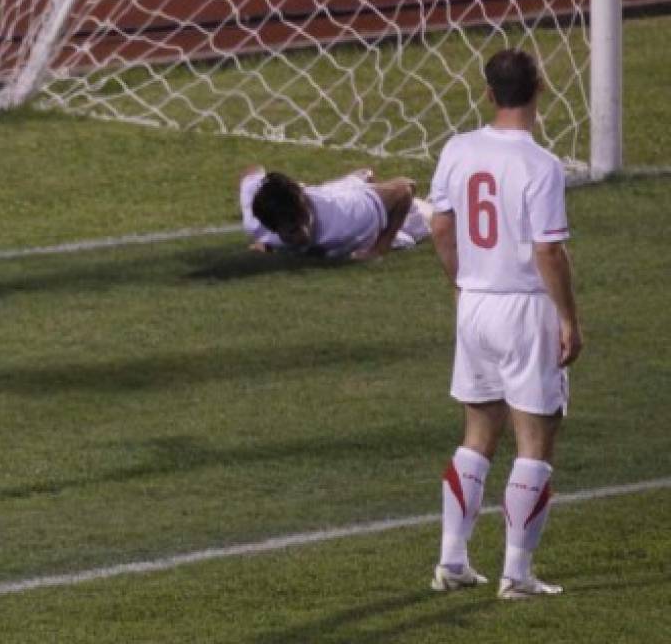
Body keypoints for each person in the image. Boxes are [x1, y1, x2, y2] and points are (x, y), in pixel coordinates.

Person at [427, 49, 583, 599]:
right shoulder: (540, 166)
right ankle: (516, 573)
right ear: (539, 89)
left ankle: (452, 560)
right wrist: (568, 317)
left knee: (478, 432)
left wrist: (461, 279)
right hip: (524, 310)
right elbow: (549, 254)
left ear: (489, 94)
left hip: (475, 305)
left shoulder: (458, 148)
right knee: (534, 441)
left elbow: (441, 224)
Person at [238, 166, 431, 259]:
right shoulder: (256, 222)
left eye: (303, 220)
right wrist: (270, 245)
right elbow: (251, 172)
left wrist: (379, 248)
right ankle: (360, 178)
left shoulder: (348, 219)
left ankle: (363, 181)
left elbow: (405, 188)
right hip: (336, 192)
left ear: (304, 203)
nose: (303, 232)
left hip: (360, 207)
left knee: (432, 217)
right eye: (292, 231)